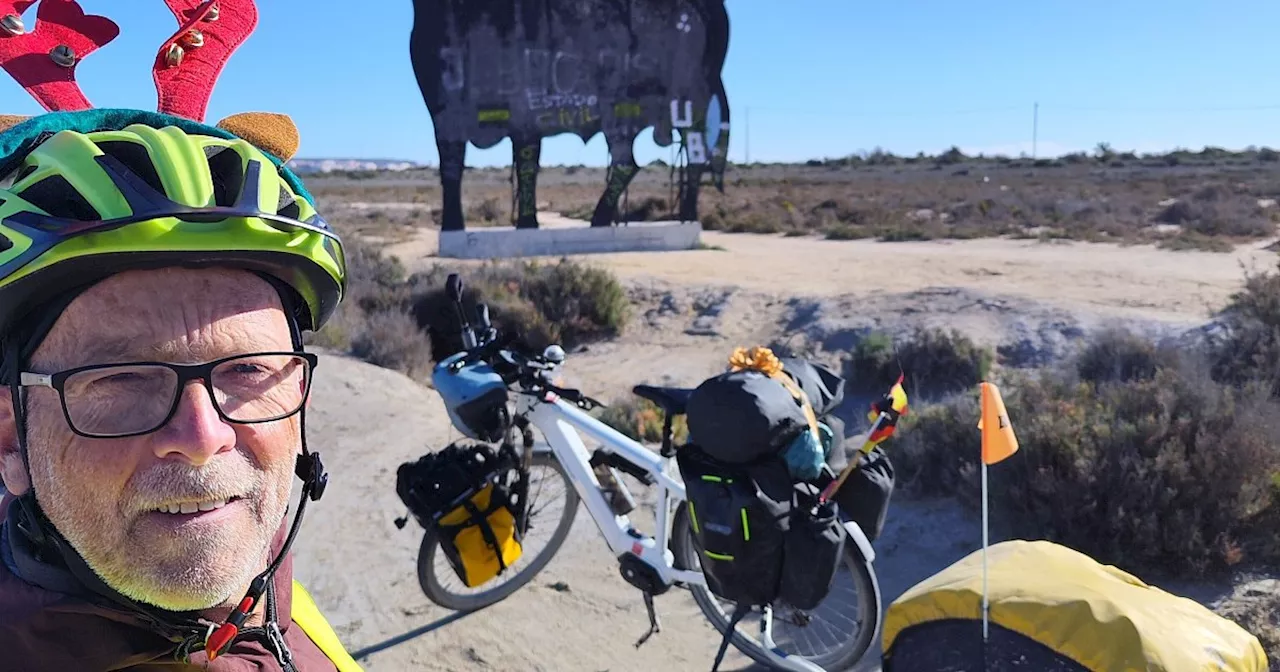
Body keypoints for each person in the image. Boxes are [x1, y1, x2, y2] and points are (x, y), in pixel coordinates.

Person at [0, 106, 362, 671]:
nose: (201, 437)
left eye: (248, 370)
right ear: (10, 439)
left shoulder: (269, 601)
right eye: (120, 378)